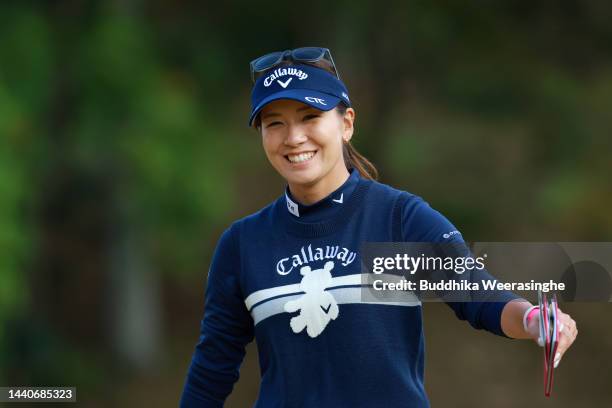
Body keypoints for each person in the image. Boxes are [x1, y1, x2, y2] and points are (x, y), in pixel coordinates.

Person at [179, 47, 578, 407]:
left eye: (310, 116)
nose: (294, 137)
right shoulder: (245, 244)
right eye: (274, 123)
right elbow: (213, 368)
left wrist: (532, 319)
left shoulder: (396, 220)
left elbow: (476, 292)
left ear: (346, 123)